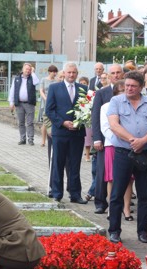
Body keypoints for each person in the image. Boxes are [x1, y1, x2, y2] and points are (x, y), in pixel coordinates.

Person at [106, 70, 147, 244]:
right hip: (123, 152)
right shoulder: (116, 101)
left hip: (143, 153)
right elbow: (114, 125)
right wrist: (132, 140)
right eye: (127, 85)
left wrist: (143, 141)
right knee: (117, 193)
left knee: (145, 194)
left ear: (141, 87)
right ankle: (114, 230)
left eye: (133, 86)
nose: (129, 88)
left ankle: (143, 231)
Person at [45, 62, 88, 204]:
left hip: (77, 133)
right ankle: (57, 193)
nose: (71, 75)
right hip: (60, 132)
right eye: (69, 72)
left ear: (77, 73)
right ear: (64, 73)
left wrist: (79, 122)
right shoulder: (54, 88)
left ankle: (75, 194)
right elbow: (49, 110)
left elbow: (87, 109)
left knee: (75, 164)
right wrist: (63, 122)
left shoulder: (83, 88)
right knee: (58, 163)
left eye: (74, 72)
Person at [91, 63, 125, 214]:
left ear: (122, 74)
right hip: (106, 140)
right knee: (102, 171)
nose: (116, 75)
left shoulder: (128, 92)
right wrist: (97, 139)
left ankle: (122, 203)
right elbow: (96, 118)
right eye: (113, 73)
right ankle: (100, 201)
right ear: (108, 75)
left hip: (124, 140)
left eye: (118, 72)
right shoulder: (102, 93)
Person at [99, 80, 133, 221]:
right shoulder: (106, 107)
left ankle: (126, 208)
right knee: (112, 178)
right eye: (120, 93)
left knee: (129, 179)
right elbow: (105, 127)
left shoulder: (132, 105)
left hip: (129, 144)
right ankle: (112, 209)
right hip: (112, 144)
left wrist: (129, 139)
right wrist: (118, 139)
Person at [8, 63, 40, 146]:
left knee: (30, 122)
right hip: (19, 104)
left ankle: (30, 139)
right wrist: (11, 102)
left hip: (29, 103)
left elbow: (37, 82)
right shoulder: (17, 79)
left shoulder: (32, 78)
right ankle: (22, 138)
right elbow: (12, 90)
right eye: (26, 69)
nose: (28, 71)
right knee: (21, 122)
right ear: (23, 69)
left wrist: (33, 72)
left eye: (29, 69)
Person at [38, 65, 58, 148]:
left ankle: (51, 138)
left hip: (54, 102)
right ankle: (43, 141)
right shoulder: (43, 80)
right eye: (53, 72)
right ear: (49, 72)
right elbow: (41, 90)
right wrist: (46, 98)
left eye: (55, 72)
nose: (54, 73)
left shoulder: (56, 81)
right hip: (45, 101)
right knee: (44, 123)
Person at [78, 76, 93, 162]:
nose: (83, 85)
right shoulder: (76, 92)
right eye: (81, 83)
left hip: (87, 118)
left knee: (88, 136)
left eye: (84, 83)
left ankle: (88, 155)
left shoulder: (90, 93)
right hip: (79, 117)